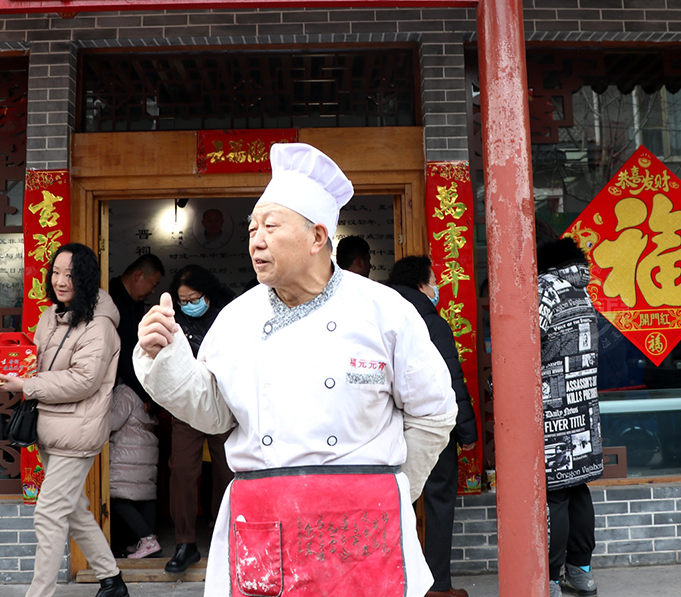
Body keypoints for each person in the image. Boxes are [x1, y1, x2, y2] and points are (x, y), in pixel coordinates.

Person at [134, 142, 457, 597]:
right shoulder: (236, 318)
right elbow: (213, 412)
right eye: (251, 228)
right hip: (265, 525)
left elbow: (434, 414)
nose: (255, 239)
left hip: (363, 529)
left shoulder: (384, 310)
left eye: (270, 225)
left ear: (318, 237)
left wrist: (393, 491)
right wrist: (164, 357)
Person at [0, 242, 128, 597]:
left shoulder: (100, 326)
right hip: (49, 426)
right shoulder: (51, 317)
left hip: (78, 432)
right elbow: (33, 363)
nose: (61, 280)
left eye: (70, 273)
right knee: (73, 510)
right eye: (56, 272)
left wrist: (28, 384)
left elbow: (84, 380)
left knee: (49, 513)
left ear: (86, 278)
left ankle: (39, 594)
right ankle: (111, 580)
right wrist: (4, 371)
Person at [388, 255, 479, 597]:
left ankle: (397, 580)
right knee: (439, 501)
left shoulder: (375, 314)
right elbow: (451, 382)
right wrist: (467, 434)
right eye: (434, 279)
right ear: (421, 284)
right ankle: (437, 585)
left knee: (394, 503)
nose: (437, 286)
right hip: (430, 429)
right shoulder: (429, 321)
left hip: (385, 432)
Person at [538, 237, 603, 597]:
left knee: (556, 495)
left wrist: (494, 382)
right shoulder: (582, 292)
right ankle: (581, 571)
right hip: (584, 406)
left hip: (554, 409)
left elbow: (527, 340)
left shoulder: (546, 288)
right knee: (578, 489)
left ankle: (549, 576)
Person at [161, 264, 236, 574]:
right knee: (181, 470)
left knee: (226, 469)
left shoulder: (229, 314)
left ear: (208, 293)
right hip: (186, 404)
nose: (189, 304)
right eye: (183, 299)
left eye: (194, 298)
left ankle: (227, 538)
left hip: (222, 401)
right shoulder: (171, 320)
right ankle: (185, 543)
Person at [109, 381, 161, 560]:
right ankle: (148, 540)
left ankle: (148, 540)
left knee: (117, 497)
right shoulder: (151, 392)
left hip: (126, 452)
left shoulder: (125, 391)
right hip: (146, 451)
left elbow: (113, 422)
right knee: (146, 496)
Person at [110, 254, 164, 402]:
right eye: (153, 284)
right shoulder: (112, 301)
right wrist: (145, 394)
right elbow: (123, 354)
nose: (153, 291)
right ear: (138, 275)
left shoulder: (135, 301)